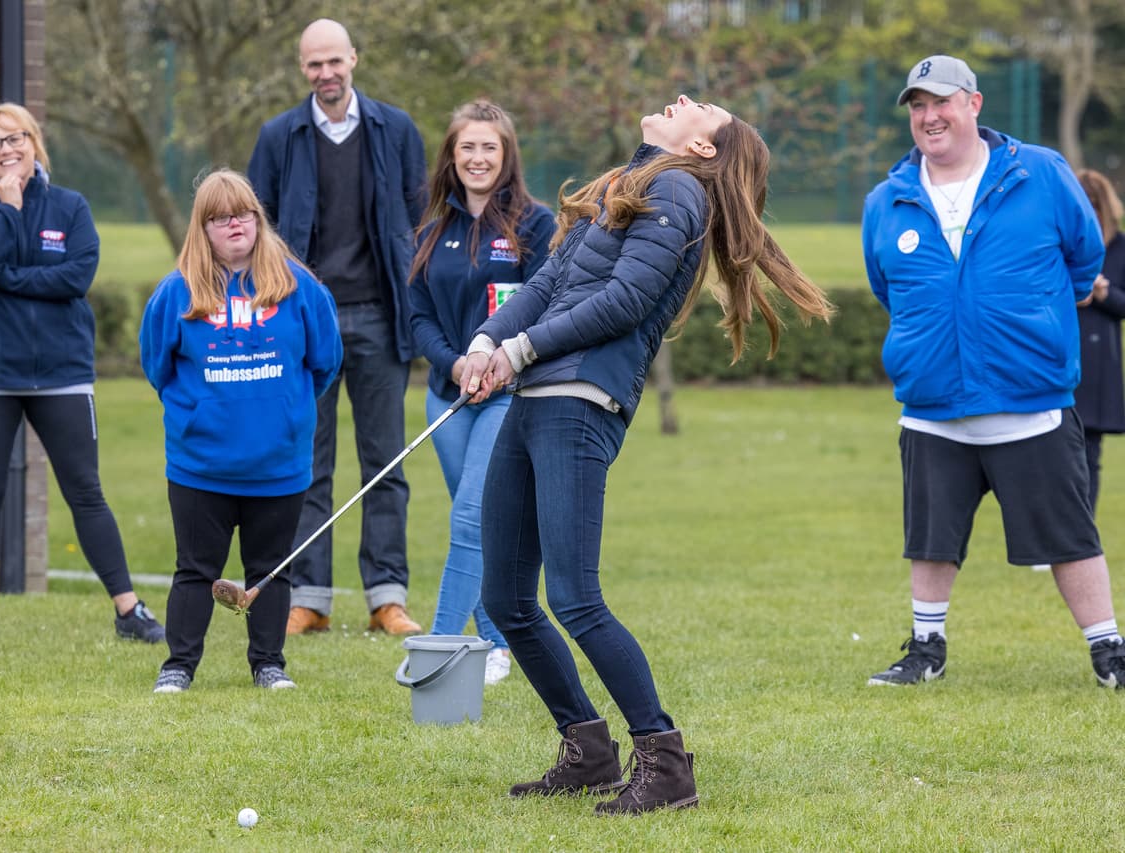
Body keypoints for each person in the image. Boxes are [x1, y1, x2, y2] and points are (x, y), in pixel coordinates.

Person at [458, 95, 833, 814]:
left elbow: (627, 300)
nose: (684, 98)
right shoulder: (625, 188)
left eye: (704, 108)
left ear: (701, 149)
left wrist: (520, 350)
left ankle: (665, 762)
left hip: (578, 403)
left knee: (573, 596)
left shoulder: (677, 190)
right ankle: (588, 747)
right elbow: (545, 286)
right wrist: (486, 343)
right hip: (536, 396)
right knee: (504, 595)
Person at [862, 54, 1125, 689]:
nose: (930, 117)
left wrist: (1025, 320)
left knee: (1071, 536)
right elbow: (886, 289)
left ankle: (1108, 651)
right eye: (918, 106)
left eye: (941, 102)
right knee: (929, 540)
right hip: (932, 407)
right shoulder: (885, 200)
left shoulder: (1039, 173)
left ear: (973, 105)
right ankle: (927, 648)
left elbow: (1083, 255)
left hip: (1029, 402)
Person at [0, 103, 165, 647]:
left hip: (60, 374)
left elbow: (76, 276)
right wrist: (10, 212)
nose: (6, 151)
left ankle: (128, 609)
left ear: (35, 141)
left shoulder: (71, 207)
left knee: (85, 491)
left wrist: (4, 277)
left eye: (15, 139)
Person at [247, 18, 428, 637]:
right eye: (313, 65)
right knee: (307, 465)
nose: (326, 74)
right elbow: (260, 234)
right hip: (304, 325)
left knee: (385, 465)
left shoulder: (397, 130)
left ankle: (387, 598)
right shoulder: (278, 137)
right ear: (302, 70)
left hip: (381, 318)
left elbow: (416, 224)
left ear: (354, 57)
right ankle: (310, 598)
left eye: (335, 61)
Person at [138, 169, 342, 693]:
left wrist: (284, 413)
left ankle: (268, 664)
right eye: (220, 218)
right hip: (200, 466)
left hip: (279, 464)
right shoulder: (176, 292)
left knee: (270, 568)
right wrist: (200, 413)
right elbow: (158, 366)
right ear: (202, 228)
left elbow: (325, 362)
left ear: (258, 218)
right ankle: (178, 666)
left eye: (244, 214)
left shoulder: (299, 287)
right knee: (194, 569)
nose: (235, 225)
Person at [408, 101, 556, 686]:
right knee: (479, 522)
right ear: (451, 154)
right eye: (467, 147)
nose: (477, 158)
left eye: (489, 147)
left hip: (507, 393)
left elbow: (545, 303)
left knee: (472, 515)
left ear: (506, 155)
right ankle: (497, 640)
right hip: (446, 396)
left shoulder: (536, 225)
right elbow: (418, 316)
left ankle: (441, 651)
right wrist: (455, 364)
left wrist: (491, 364)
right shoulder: (430, 227)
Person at [1073, 169, 1125, 514]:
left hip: (1099, 362)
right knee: (1055, 454)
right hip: (1061, 355)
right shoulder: (1059, 245)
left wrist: (1105, 293)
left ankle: (1080, 537)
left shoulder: (1120, 248)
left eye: (1095, 205)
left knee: (1090, 454)